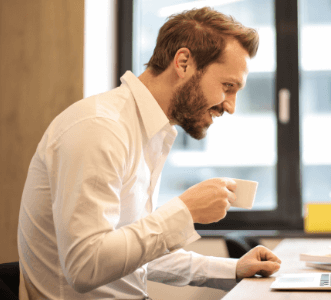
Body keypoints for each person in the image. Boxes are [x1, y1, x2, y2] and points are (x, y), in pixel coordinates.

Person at [17, 7, 281, 300]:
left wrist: (232, 269)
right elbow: (85, 267)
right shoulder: (100, 129)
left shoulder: (149, 131)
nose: (230, 105)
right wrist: (185, 210)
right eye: (227, 87)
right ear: (183, 63)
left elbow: (132, 254)